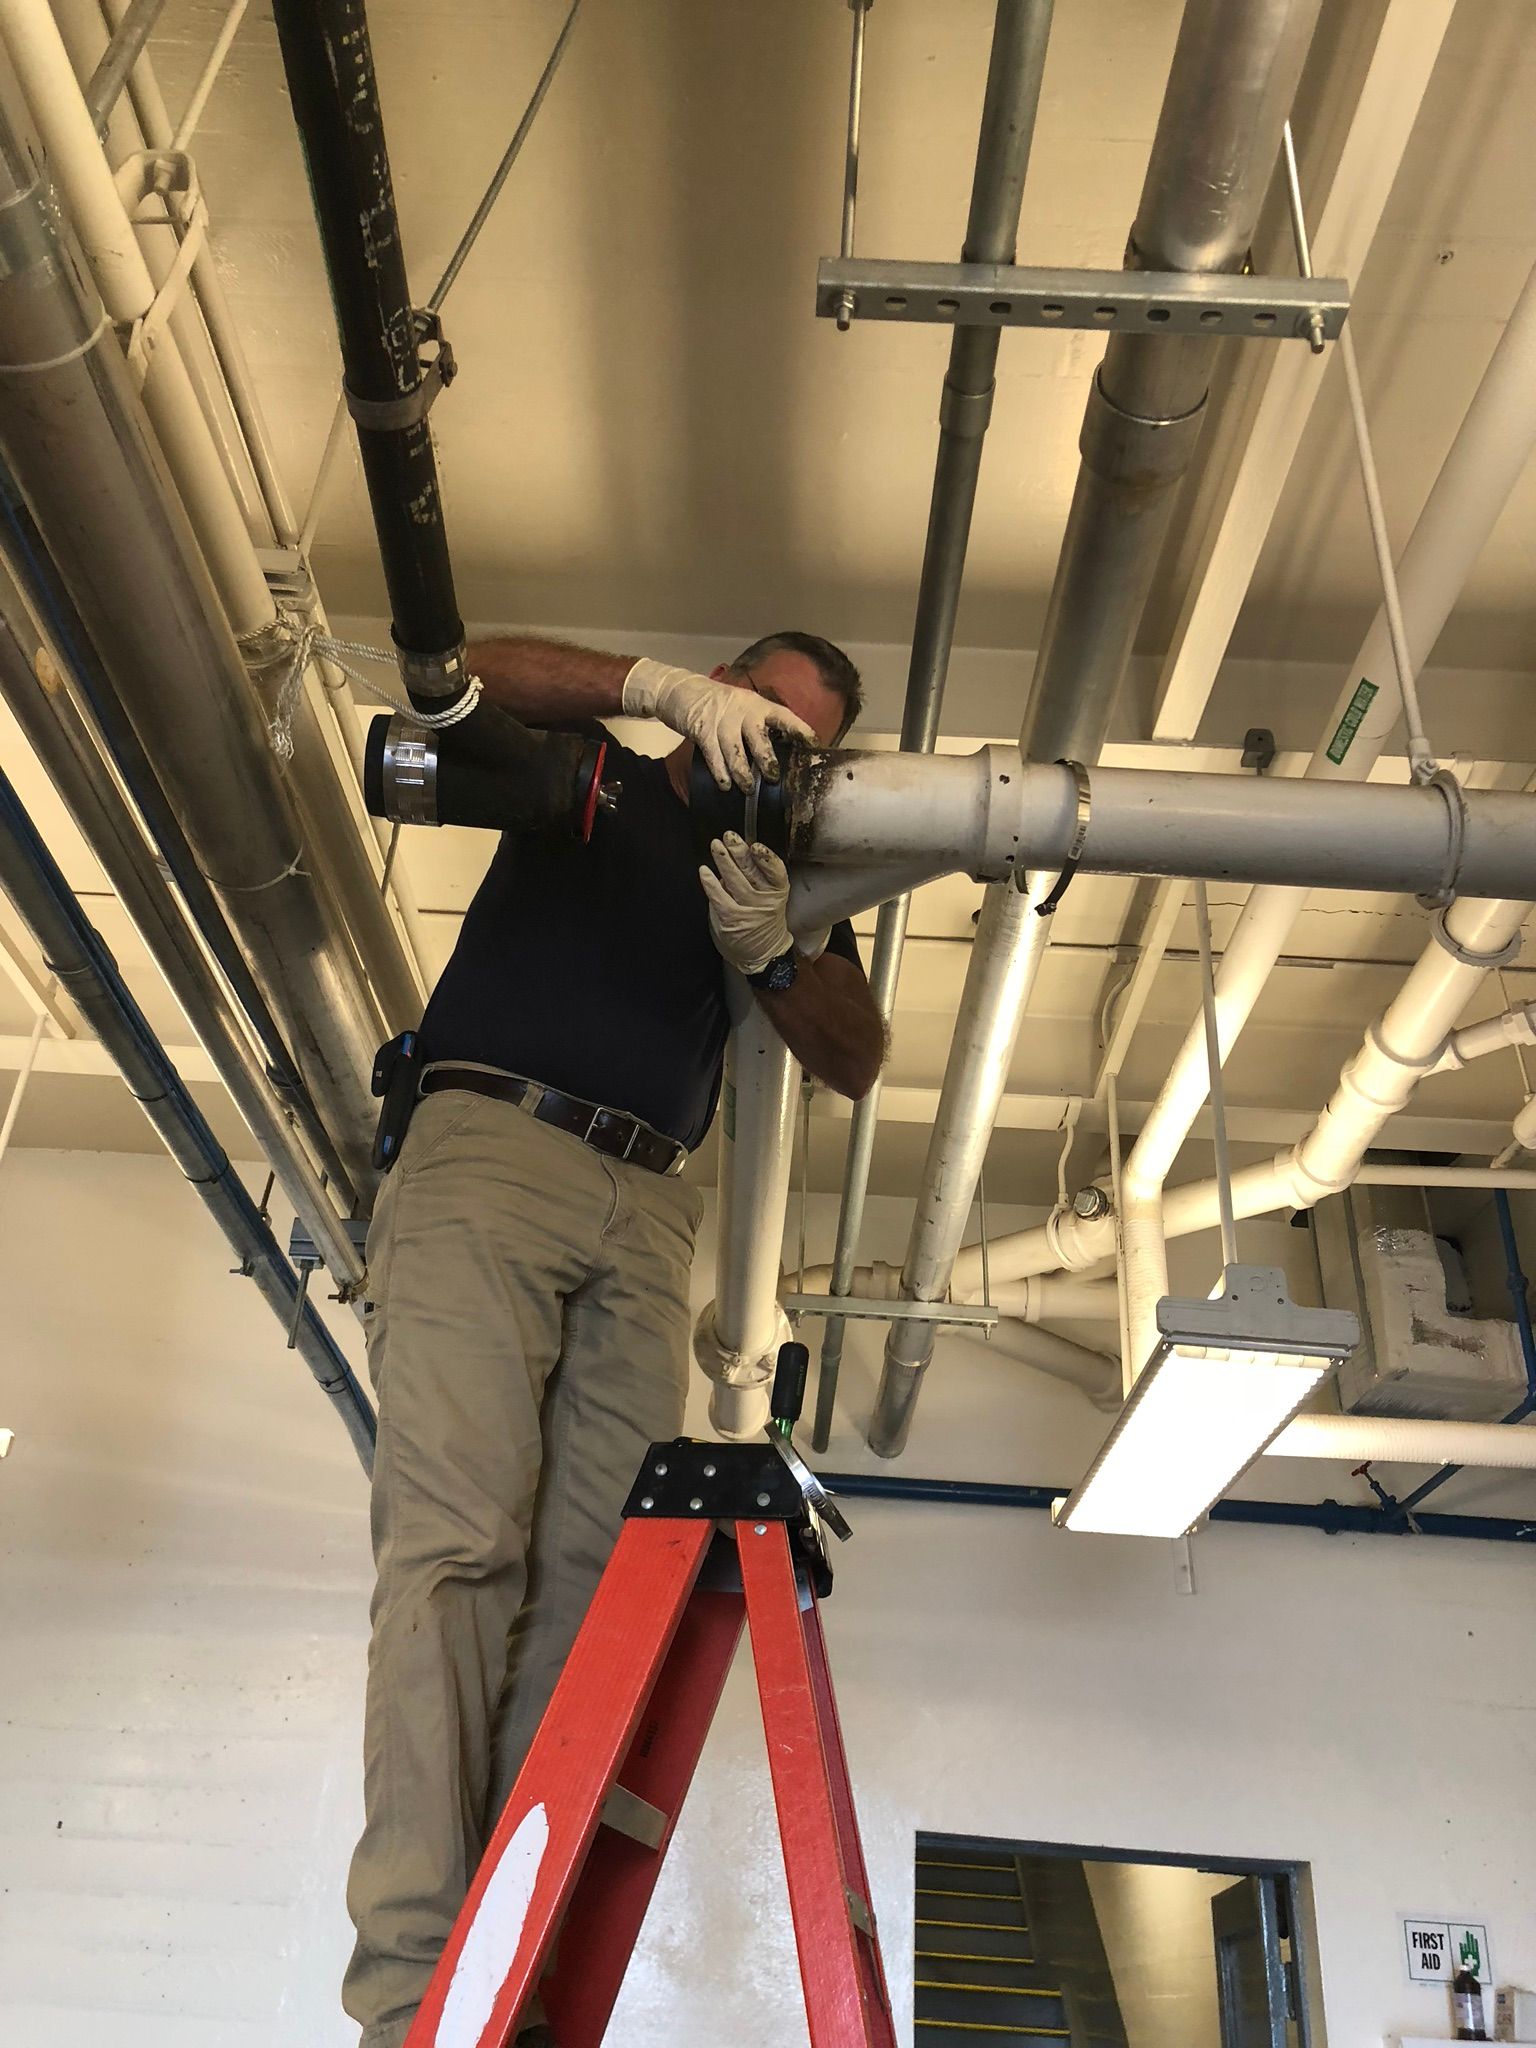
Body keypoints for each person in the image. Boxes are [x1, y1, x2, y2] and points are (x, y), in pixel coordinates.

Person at [343, 630, 885, 2047]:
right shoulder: (594, 778)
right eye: (759, 707)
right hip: (493, 1143)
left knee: (588, 1595)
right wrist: (652, 689)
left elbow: (857, 1055)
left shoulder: (784, 879)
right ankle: (410, 1994)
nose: (772, 746)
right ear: (718, 690)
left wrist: (776, 950)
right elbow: (457, 673)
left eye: (805, 741)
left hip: (649, 1207)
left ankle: (502, 1988)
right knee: (459, 1547)